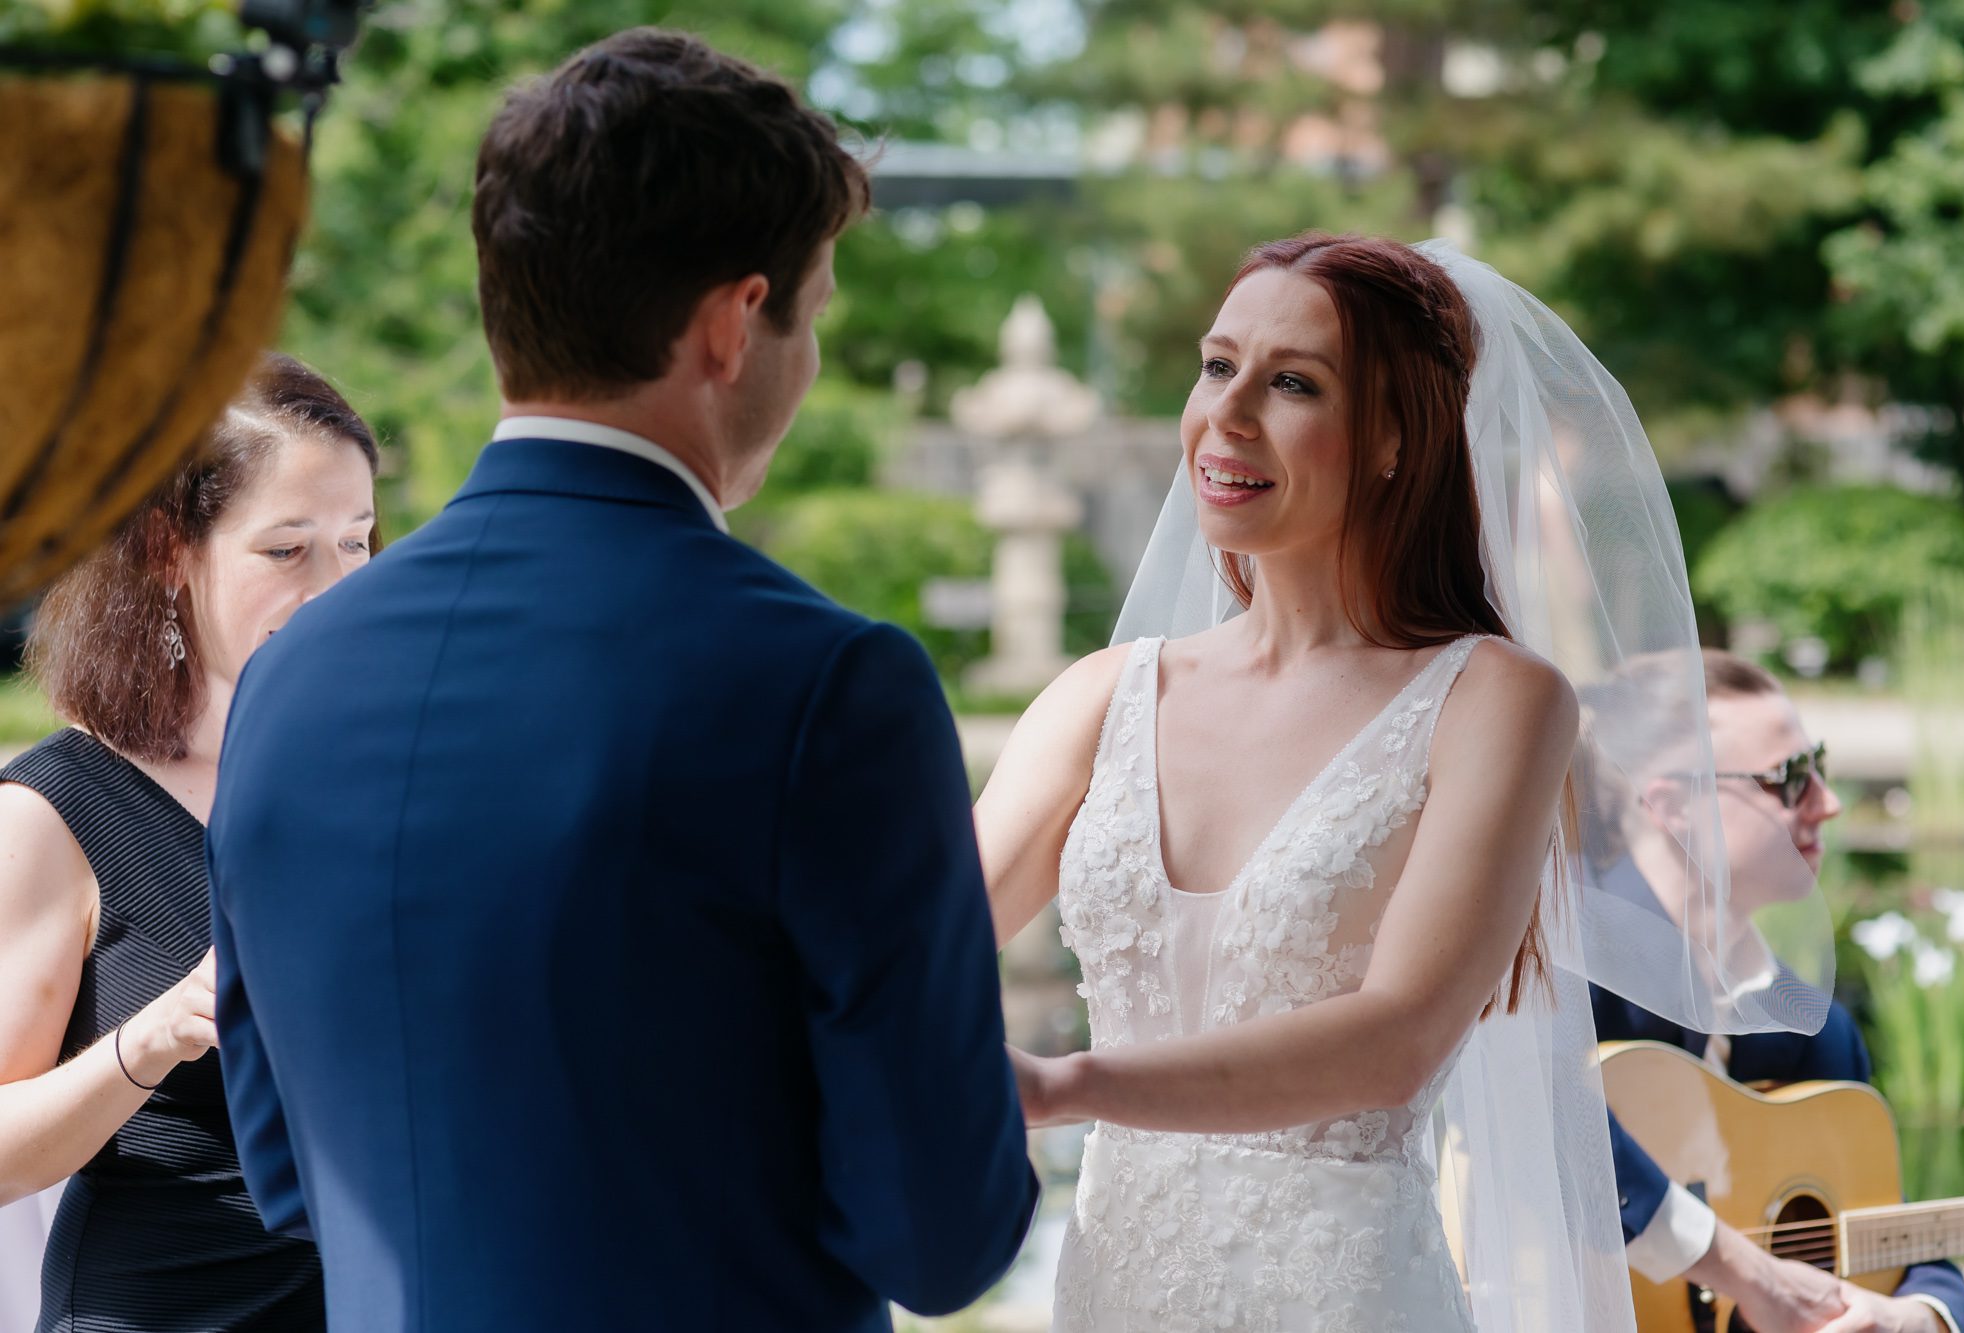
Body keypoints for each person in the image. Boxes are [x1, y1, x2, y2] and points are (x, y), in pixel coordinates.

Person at [203, 29, 1038, 1333]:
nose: (808, 366)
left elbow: (284, 1170)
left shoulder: (287, 675)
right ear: (730, 325)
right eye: (808, 315)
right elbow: (941, 1239)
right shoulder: (826, 684)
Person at [979, 233, 1605, 1330]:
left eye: (1292, 383)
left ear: (1395, 438)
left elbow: (1396, 1037)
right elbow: (909, 936)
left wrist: (1066, 1086)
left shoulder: (1496, 701)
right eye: (1217, 365)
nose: (1226, 415)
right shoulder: (1099, 695)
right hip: (1112, 1290)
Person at [0, 353, 380, 1332]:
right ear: (169, 551)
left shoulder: (378, 775)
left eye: (357, 541)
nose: (339, 587)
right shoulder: (53, 811)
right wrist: (157, 1034)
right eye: (288, 550)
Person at [1593, 650, 1964, 1333]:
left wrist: (1919, 1315)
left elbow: (1885, 1221)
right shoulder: (1557, 984)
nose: (1827, 803)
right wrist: (1745, 1270)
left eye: (1820, 767)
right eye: (1789, 778)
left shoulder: (1815, 1024)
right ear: (1674, 805)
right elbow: (1559, 1140)